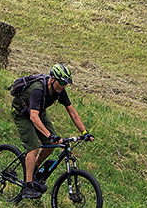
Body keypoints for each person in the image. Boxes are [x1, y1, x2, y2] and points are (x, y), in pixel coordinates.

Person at [12, 63, 89, 200]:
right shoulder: (38, 90)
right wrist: (49, 135)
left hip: (38, 112)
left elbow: (72, 112)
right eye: (61, 82)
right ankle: (27, 186)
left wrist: (84, 132)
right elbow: (33, 117)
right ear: (52, 79)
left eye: (65, 84)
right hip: (22, 114)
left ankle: (35, 169)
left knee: (52, 143)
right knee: (33, 147)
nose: (63, 86)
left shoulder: (59, 91)